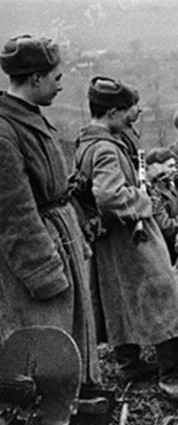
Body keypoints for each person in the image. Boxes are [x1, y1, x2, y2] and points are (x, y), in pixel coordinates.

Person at [74, 76, 178, 402]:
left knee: (116, 292)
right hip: (130, 233)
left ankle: (128, 362)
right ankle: (169, 374)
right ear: (113, 112)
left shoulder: (89, 142)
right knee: (162, 289)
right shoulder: (104, 149)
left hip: (108, 235)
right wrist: (144, 202)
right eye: (131, 109)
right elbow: (110, 195)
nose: (137, 113)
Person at [0, 34, 100, 386]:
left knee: (69, 326)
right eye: (57, 77)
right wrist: (44, 272)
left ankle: (72, 399)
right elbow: (14, 213)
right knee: (44, 331)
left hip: (60, 235)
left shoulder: (30, 116)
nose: (61, 85)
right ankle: (41, 414)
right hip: (38, 248)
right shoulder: (4, 131)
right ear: (36, 78)